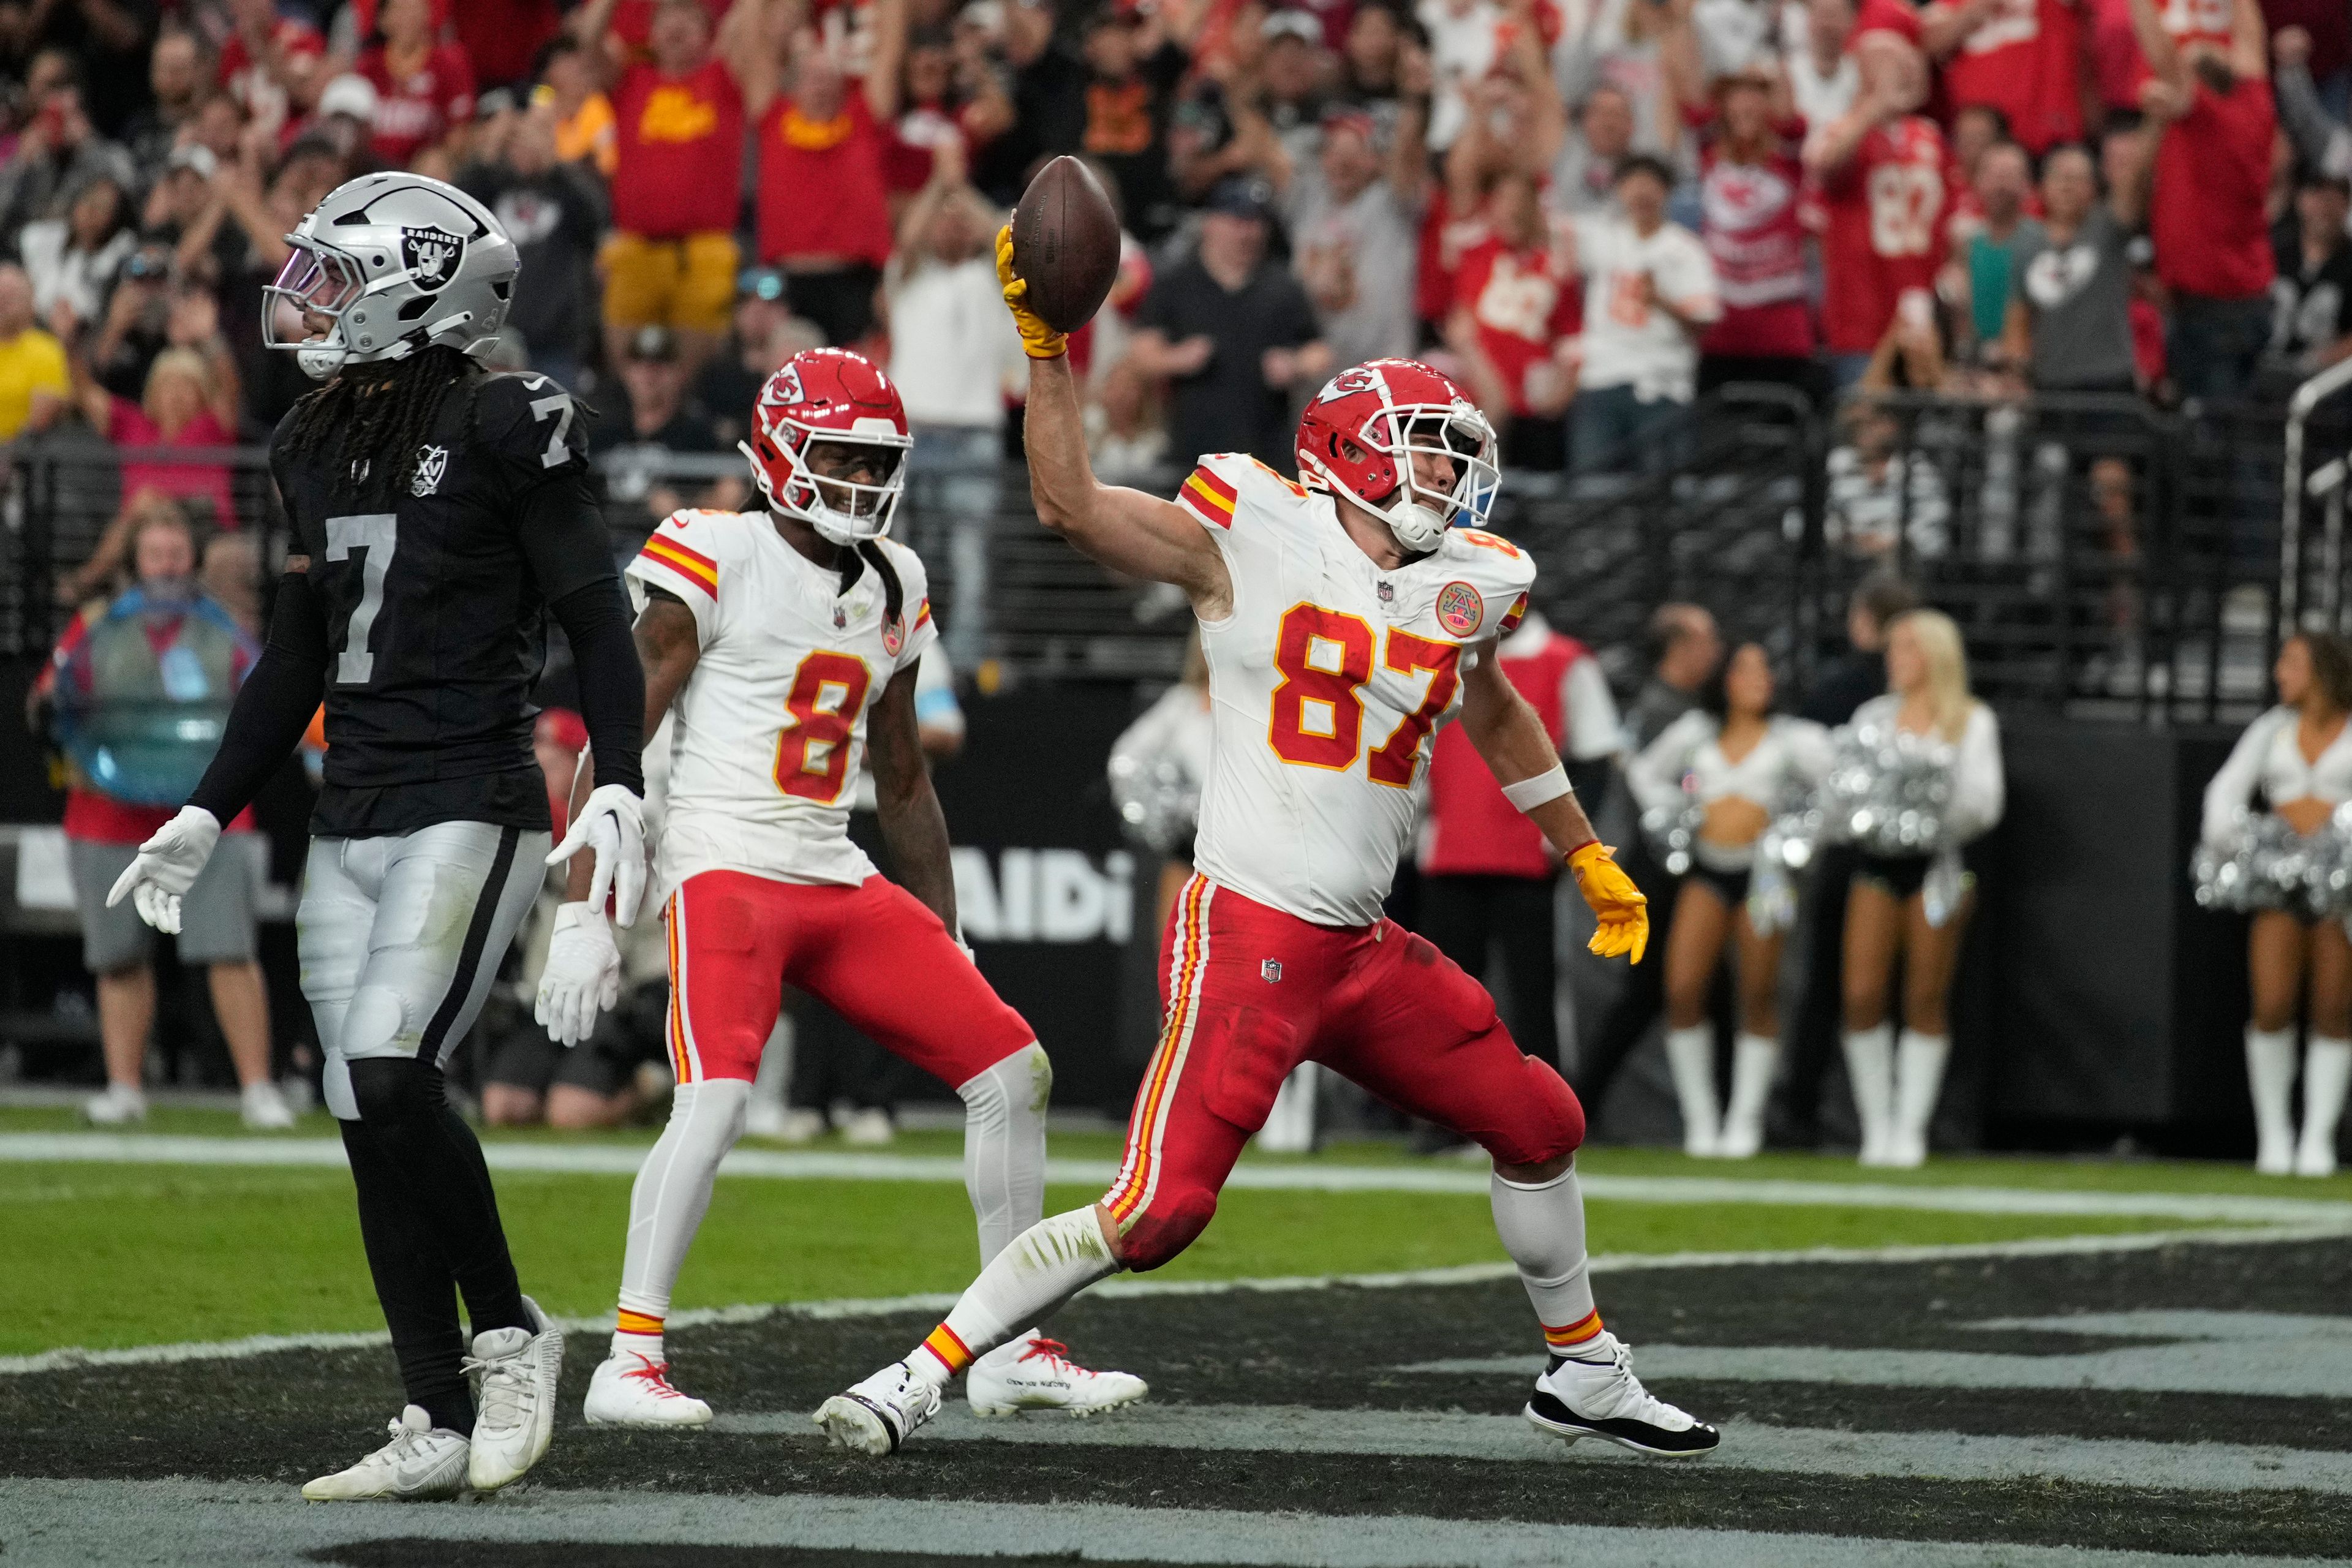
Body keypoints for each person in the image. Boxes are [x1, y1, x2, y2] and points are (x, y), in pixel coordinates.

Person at [810, 240, 1709, 1463]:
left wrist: (1582, 845)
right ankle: (922, 1370)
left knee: (1541, 1120)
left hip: (1363, 946)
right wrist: (1048, 350)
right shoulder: (1250, 527)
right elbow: (1070, 504)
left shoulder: (1470, 580)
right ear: (1349, 452)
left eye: (1453, 444)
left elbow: (1487, 698)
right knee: (1159, 1209)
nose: (1450, 467)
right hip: (1252, 934)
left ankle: (1585, 1367)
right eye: (1426, 442)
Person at [103, 173, 647, 1501]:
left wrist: (621, 778)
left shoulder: (509, 418)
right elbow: (295, 653)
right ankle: (431, 1405)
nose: (302, 298)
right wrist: (202, 804)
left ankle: (509, 1329)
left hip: (471, 791)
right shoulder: (308, 438)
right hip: (351, 804)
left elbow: (597, 615)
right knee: (361, 1110)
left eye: (333, 275)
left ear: (420, 289)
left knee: (397, 1072)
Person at [533, 349, 1142, 1426]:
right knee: (715, 1100)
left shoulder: (898, 579)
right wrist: (586, 908)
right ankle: (627, 1358)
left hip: (831, 865)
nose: (861, 477)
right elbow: (621, 734)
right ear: (776, 452)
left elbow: (902, 778)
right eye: (840, 453)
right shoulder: (714, 550)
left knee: (1014, 1070)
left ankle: (1005, 1346)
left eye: (876, 458)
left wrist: (945, 936)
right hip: (726, 864)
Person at [34, 504, 293, 1132]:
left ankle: (258, 1090)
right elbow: (47, 701)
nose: (169, 566)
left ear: (194, 559)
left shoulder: (223, 631)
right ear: (134, 562)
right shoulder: (93, 629)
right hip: (107, 814)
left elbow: (260, 713)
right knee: (119, 958)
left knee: (230, 951)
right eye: (156, 554)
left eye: (178, 553)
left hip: (210, 815)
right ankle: (125, 1088)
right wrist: (50, 715)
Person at [1626, 644, 1831, 1156]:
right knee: (1683, 987)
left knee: (1759, 993)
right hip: (1707, 870)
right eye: (1745, 669)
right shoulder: (1697, 732)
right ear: (1725, 678)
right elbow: (1643, 771)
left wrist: (1797, 836)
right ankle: (1701, 1121)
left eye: (1766, 669)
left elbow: (1837, 790)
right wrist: (1677, 810)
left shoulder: (1793, 739)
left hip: (1764, 876)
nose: (1758, 679)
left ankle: (1745, 1121)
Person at [1416, 605, 1623, 1086]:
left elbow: (1596, 758)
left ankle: (1545, 1106)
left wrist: (1565, 837)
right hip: (1447, 849)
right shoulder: (1437, 651)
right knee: (1446, 993)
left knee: (1536, 991)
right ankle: (1446, 1111)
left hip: (1528, 855)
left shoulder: (1565, 660)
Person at [1837, 609, 2004, 1167]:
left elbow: (1985, 803)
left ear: (1936, 654)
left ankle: (1910, 1130)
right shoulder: (1872, 717)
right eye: (1893, 646)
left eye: (1907, 646)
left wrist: (1927, 809)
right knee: (1861, 994)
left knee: (1926, 998)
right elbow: (1844, 790)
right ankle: (1876, 1127)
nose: (1895, 656)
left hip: (1938, 866)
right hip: (1878, 865)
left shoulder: (1971, 721)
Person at [2199, 633, 2352, 1177]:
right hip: (2281, 885)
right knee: (2272, 1004)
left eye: (2290, 663)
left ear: (2323, 670)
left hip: (2343, 890)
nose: (2278, 673)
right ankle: (2274, 1137)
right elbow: (2223, 796)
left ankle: (2318, 1139)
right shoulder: (2269, 729)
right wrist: (2244, 842)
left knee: (2335, 1009)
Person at [1572, 602, 1721, 1121]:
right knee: (1653, 990)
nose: (1716, 652)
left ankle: (1589, 1100)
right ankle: (1584, 1101)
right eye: (1706, 641)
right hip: (1667, 861)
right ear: (1679, 648)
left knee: (1694, 987)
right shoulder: (1666, 710)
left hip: (1675, 860)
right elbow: (1648, 786)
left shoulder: (1675, 704)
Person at [579, 0, 767, 374]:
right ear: (650, 32)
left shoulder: (726, 79)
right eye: (666, 18)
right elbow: (588, 42)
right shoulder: (631, 81)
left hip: (705, 248)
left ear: (708, 33)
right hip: (635, 247)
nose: (676, 27)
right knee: (625, 369)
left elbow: (753, 33)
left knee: (697, 373)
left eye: (688, 18)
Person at [1128, 176, 1330, 472]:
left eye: (1255, 223)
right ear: (1211, 223)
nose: (1247, 233)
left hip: (1268, 457)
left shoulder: (1282, 286)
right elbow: (1140, 357)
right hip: (1193, 454)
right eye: (1237, 221)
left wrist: (1295, 364)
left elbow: (1320, 352)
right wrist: (1177, 358)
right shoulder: (1177, 283)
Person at [2128, 0, 2275, 403]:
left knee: (2213, 443)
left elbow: (2160, 52)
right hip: (2247, 298)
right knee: (2237, 434)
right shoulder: (2257, 101)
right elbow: (2250, 33)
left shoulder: (2209, 118)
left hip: (2212, 311)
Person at [1806, 30, 1949, 389]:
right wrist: (1873, 106)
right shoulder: (1840, 130)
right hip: (1862, 312)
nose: (1900, 74)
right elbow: (1826, 165)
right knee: (1869, 427)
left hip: (1922, 306)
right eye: (1887, 66)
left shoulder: (1930, 136)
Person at [1569, 155, 1722, 475]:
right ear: (1620, 192)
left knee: (1663, 498)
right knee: (1591, 494)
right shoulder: (1603, 238)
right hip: (1601, 380)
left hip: (1662, 386)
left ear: (1666, 192)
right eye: (1632, 184)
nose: (1641, 193)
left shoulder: (1686, 250)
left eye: (1650, 185)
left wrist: (1661, 301)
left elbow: (1704, 322)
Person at [355, 0, 478, 170]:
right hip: (372, 166)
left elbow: (460, 130)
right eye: (399, 10)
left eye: (414, 9)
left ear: (429, 15)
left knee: (435, 164)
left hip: (425, 167)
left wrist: (441, 158)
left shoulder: (450, 63)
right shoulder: (367, 67)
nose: (408, 18)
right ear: (383, 20)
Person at [2263, 170, 2352, 395]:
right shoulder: (2274, 252)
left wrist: (2317, 361)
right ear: (2301, 200)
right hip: (2264, 371)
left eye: (2334, 199)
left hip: (2326, 387)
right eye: (2318, 197)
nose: (2325, 208)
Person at [0, 262, 70, 440]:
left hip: (19, 457)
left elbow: (39, 421)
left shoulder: (46, 350)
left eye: (10, 296)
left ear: (30, 303)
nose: (3, 302)